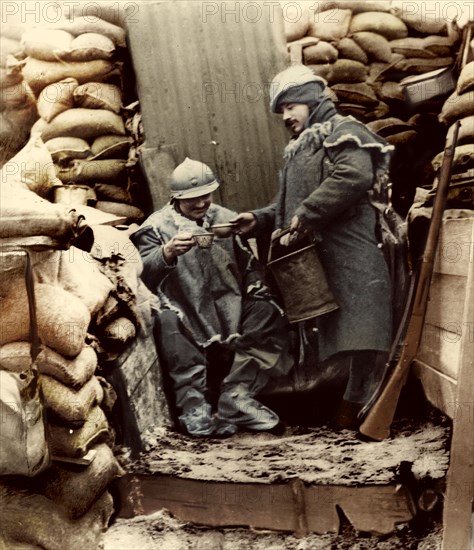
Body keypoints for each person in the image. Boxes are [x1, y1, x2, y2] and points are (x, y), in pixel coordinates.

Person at [231, 64, 394, 431]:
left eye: (289, 106)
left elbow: (354, 176)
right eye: (282, 110)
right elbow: (288, 205)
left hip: (353, 254)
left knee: (365, 336)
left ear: (308, 97)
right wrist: (258, 218)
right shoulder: (301, 147)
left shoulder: (343, 130)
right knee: (337, 338)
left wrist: (306, 214)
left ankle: (360, 410)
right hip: (321, 257)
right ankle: (343, 409)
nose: (285, 116)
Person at [130, 157, 292, 437]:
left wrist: (255, 286)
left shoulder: (224, 218)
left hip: (228, 304)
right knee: (169, 323)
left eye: (205, 196)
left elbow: (248, 264)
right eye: (192, 199)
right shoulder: (156, 227)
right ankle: (193, 408)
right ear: (176, 198)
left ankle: (237, 396)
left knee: (267, 312)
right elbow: (141, 272)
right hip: (183, 304)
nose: (201, 204)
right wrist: (166, 252)